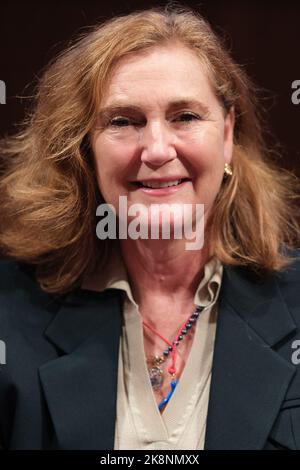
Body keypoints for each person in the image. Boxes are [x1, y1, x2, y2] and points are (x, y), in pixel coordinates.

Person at [0, 4, 300, 451]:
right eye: (123, 121)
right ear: (85, 147)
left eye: (185, 117)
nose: (157, 150)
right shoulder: (10, 313)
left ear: (228, 134)